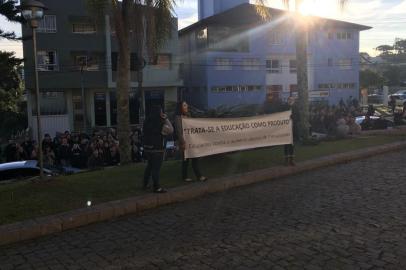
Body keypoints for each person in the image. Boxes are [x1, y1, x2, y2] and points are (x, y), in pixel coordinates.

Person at [142, 105, 173, 193]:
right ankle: (157, 187)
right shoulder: (161, 124)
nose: (162, 113)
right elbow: (171, 130)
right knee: (156, 168)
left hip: (147, 148)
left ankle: (145, 184)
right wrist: (166, 118)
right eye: (161, 112)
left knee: (149, 166)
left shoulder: (146, 121)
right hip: (157, 149)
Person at [175, 101, 208, 182]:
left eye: (186, 105)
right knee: (185, 160)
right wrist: (182, 142)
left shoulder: (188, 115)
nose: (187, 106)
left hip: (192, 141)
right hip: (184, 142)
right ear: (180, 107)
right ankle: (185, 177)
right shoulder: (178, 118)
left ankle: (199, 176)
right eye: (184, 105)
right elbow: (179, 131)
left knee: (195, 158)